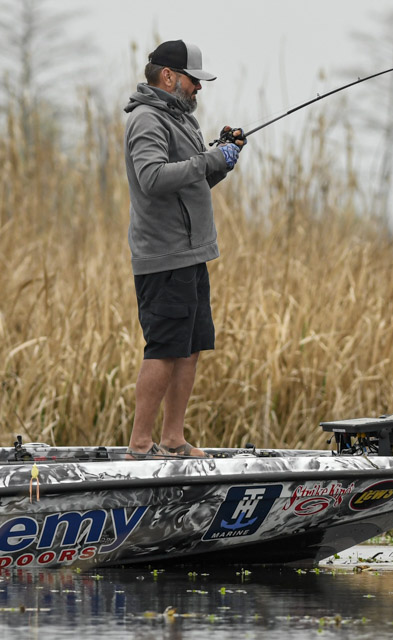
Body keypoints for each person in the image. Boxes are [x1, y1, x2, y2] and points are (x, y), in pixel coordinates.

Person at [122, 39, 244, 458]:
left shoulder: (182, 121)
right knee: (165, 349)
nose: (199, 87)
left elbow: (194, 180)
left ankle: (173, 441)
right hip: (164, 257)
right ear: (169, 76)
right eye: (194, 79)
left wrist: (223, 159)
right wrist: (211, 159)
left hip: (192, 255)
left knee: (189, 349)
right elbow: (152, 178)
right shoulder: (146, 120)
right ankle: (140, 446)